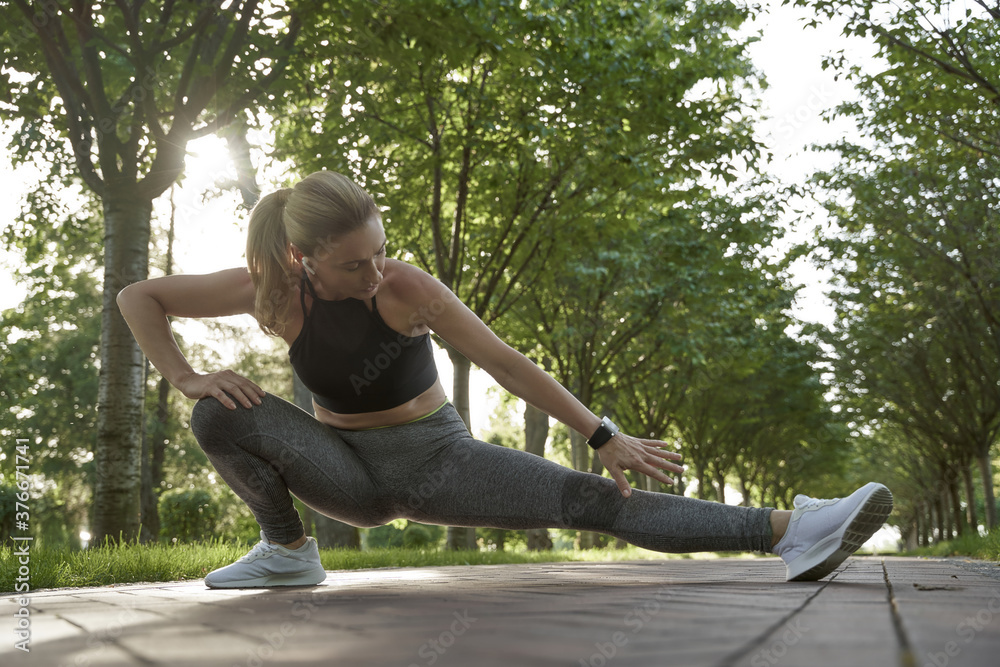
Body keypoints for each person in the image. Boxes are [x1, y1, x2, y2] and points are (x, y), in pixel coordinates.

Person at [117, 170, 893, 588]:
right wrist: (186, 374)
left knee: (595, 502)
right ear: (302, 260)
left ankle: (795, 532)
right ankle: (286, 551)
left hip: (437, 460)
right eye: (356, 262)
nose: (375, 268)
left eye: (380, 250)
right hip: (341, 471)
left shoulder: (405, 288)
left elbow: (503, 360)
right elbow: (138, 297)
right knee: (219, 414)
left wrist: (604, 434)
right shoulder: (272, 290)